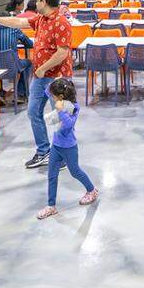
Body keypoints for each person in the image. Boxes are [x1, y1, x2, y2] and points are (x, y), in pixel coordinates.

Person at [0, 0, 73, 169]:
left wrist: (43, 68)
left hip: (58, 79)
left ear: (44, 2)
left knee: (60, 117)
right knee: (33, 112)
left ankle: (61, 156)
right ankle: (44, 152)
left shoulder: (61, 22)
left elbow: (62, 53)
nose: (35, 3)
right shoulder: (41, 19)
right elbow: (17, 23)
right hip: (40, 76)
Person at [36, 78, 99, 219]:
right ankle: (51, 206)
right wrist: (56, 81)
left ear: (61, 97)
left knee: (75, 172)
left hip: (69, 147)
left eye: (53, 96)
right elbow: (48, 90)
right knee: (51, 176)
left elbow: (68, 125)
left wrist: (61, 111)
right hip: (56, 146)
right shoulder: (59, 99)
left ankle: (92, 190)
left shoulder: (74, 107)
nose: (51, 97)